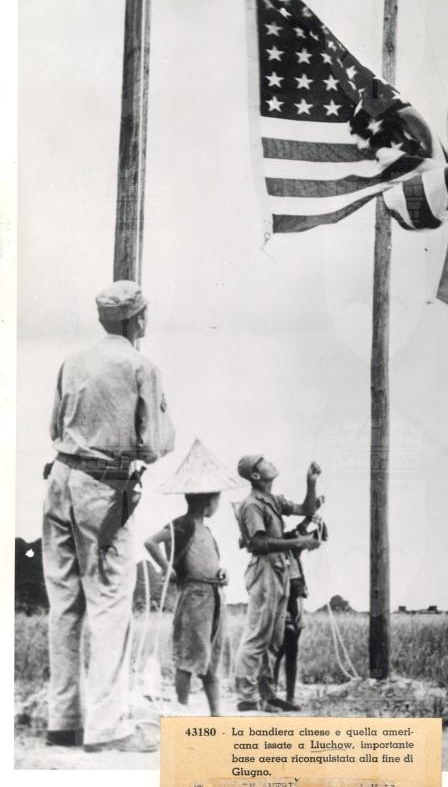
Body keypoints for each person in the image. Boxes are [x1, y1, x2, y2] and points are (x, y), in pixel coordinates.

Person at [43, 280, 175, 752]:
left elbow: (54, 427)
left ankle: (63, 721)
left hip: (60, 479)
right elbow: (156, 444)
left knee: (65, 605)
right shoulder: (141, 366)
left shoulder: (72, 360)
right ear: (137, 318)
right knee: (109, 606)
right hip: (103, 488)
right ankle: (108, 728)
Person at [234, 455, 322, 712]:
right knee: (257, 635)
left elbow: (307, 509)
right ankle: (246, 697)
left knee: (273, 637)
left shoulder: (272, 500)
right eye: (262, 462)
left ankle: (267, 695)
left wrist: (311, 482)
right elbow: (259, 543)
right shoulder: (252, 505)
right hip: (265, 570)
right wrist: (298, 542)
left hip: (279, 570)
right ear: (255, 475)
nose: (270, 462)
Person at [145, 491, 227, 715]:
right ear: (207, 502)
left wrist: (222, 574)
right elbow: (151, 542)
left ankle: (216, 714)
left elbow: (210, 563)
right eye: (216, 500)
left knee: (211, 659)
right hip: (194, 597)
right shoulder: (182, 525)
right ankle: (182, 711)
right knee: (187, 657)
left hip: (214, 596)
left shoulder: (206, 531)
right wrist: (166, 566)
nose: (217, 505)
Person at [274, 513, 327, 708]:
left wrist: (314, 519)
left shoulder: (290, 541)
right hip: (281, 603)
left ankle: (288, 696)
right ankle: (273, 695)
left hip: (295, 601)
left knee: (290, 650)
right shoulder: (270, 546)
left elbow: (310, 534)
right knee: (279, 650)